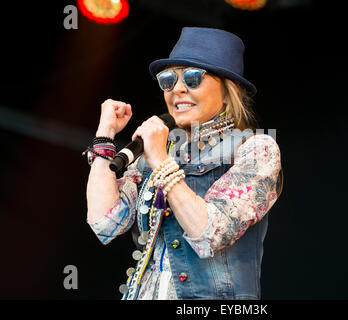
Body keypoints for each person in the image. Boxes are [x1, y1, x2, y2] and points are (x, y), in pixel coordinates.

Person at [85, 27, 283, 300]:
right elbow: (105, 223)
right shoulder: (156, 150)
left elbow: (210, 233)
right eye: (168, 80)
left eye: (192, 78)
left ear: (229, 90)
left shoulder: (255, 150)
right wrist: (104, 136)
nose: (177, 89)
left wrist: (162, 163)